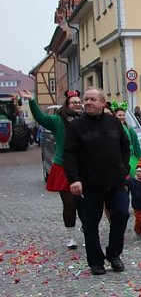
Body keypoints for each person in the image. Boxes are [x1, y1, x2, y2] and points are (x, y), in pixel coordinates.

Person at [63, 88, 130, 275]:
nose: (88, 102)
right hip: (88, 184)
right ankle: (95, 261)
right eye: (86, 99)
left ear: (102, 103)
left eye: (93, 99)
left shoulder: (113, 122)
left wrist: (124, 168)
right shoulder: (76, 126)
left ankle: (114, 254)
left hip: (115, 181)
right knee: (90, 223)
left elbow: (125, 145)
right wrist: (74, 179)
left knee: (121, 214)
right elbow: (69, 155)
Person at [18, 89, 83, 249]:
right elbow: (41, 117)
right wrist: (32, 101)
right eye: (73, 102)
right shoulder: (57, 121)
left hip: (83, 167)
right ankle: (70, 236)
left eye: (78, 102)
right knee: (69, 203)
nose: (77, 104)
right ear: (67, 105)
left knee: (85, 203)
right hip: (63, 167)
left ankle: (87, 226)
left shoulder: (86, 120)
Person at [111, 102, 141, 176]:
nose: (122, 117)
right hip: (118, 159)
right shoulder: (111, 130)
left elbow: (136, 145)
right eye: (119, 115)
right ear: (114, 116)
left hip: (131, 158)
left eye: (123, 115)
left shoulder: (129, 129)